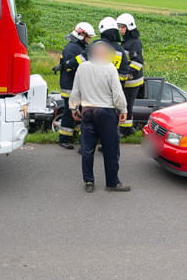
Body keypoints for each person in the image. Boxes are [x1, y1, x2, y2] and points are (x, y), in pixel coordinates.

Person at [69, 41, 130, 193]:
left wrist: (73, 107)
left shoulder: (82, 68)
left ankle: (89, 182)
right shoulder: (110, 68)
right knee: (111, 149)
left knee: (87, 149)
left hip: (87, 110)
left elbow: (76, 89)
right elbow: (117, 93)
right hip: (106, 112)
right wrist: (123, 109)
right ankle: (112, 183)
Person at [57, 22, 95, 149]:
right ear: (81, 34)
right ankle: (64, 139)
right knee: (69, 112)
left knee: (76, 112)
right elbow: (69, 68)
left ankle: (72, 136)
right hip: (70, 86)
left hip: (74, 86)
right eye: (88, 37)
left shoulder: (77, 47)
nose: (89, 39)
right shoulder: (72, 48)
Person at [117, 13, 143, 136]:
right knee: (124, 104)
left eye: (123, 27)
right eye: (120, 27)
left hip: (132, 81)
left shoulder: (134, 43)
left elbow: (138, 63)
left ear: (129, 27)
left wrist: (126, 72)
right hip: (126, 80)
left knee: (127, 105)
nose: (120, 30)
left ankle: (126, 130)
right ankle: (126, 129)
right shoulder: (126, 41)